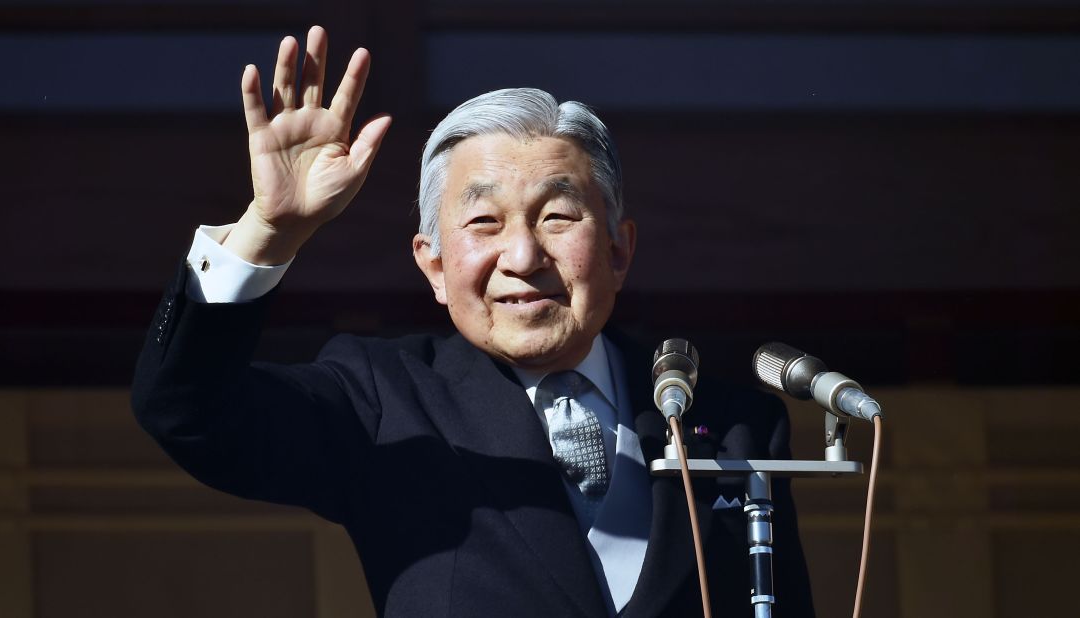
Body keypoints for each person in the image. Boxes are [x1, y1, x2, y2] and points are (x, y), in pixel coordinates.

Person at [132, 26, 815, 617]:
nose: (522, 255)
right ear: (432, 265)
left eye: (557, 216)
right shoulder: (382, 401)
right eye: (484, 222)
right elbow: (188, 411)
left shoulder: (731, 423)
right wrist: (268, 231)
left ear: (618, 249)